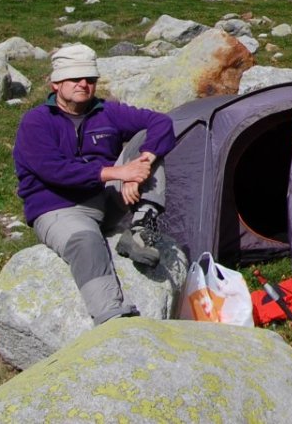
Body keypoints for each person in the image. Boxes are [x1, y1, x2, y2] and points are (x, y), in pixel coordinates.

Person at [13, 43, 177, 324]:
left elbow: (160, 122)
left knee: (148, 146)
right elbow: (55, 171)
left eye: (90, 79)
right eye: (75, 78)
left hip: (105, 201)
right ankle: (110, 314)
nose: (83, 85)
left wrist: (142, 164)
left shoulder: (107, 112)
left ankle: (139, 230)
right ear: (56, 83)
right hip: (58, 207)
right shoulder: (36, 122)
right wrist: (118, 173)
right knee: (86, 242)